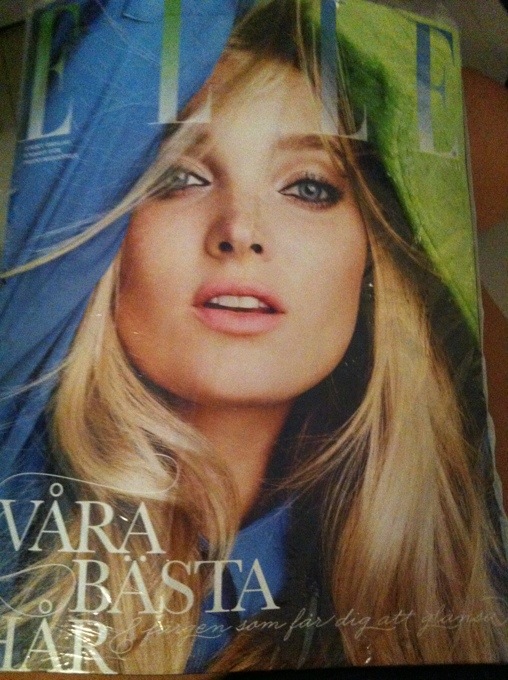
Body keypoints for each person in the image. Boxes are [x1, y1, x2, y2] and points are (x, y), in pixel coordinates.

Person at [0, 0, 506, 673]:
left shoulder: (449, 546)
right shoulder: (21, 442)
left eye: (308, 187)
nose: (239, 230)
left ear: (371, 258)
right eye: (179, 178)